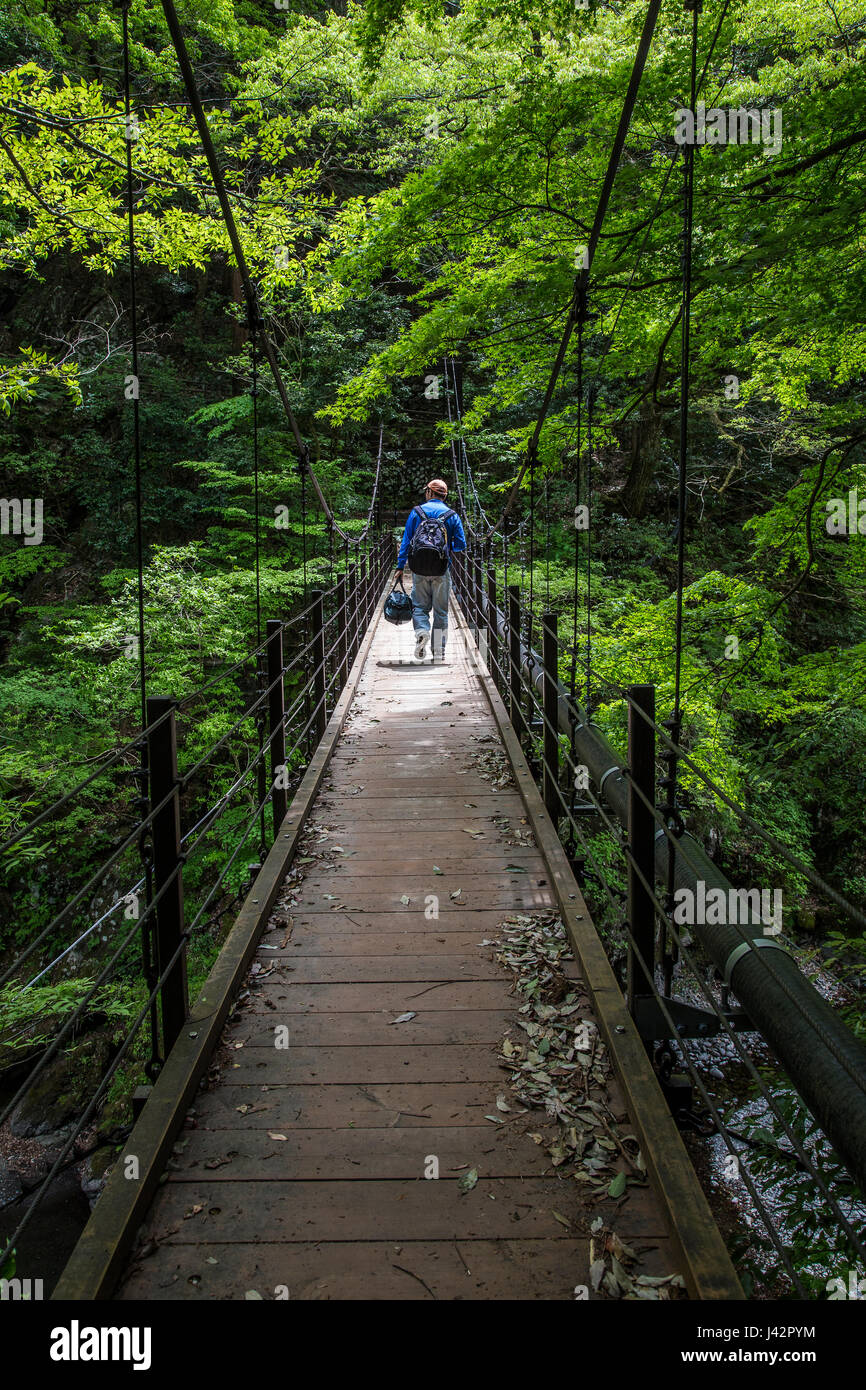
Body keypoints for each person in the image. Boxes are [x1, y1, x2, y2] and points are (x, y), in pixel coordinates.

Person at [395, 479, 467, 661]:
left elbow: (406, 542)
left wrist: (400, 566)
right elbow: (460, 546)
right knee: (441, 612)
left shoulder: (416, 512)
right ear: (445, 495)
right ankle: (439, 651)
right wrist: (445, 545)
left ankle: (421, 632)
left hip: (418, 569)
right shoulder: (452, 515)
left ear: (429, 493)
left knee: (419, 606)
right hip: (442, 569)